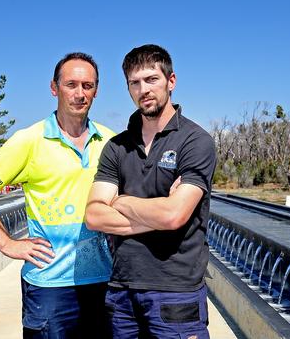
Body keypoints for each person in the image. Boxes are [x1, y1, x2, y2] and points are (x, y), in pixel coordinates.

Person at [0, 52, 114, 338]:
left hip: (102, 281)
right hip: (49, 286)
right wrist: (6, 243)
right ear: (54, 88)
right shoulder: (30, 140)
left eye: (88, 85)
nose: (80, 93)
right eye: (71, 84)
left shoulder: (110, 141)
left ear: (96, 91)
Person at [85, 44, 216, 339]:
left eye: (151, 79)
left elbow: (173, 216)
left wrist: (120, 200)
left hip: (176, 294)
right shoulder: (117, 146)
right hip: (122, 292)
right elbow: (93, 215)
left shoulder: (195, 142)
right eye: (135, 82)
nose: (143, 89)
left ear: (171, 81)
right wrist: (158, 213)